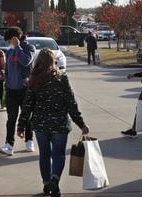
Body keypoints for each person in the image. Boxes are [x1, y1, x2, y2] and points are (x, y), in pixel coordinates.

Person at [17, 48, 89, 197]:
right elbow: (71, 103)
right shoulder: (62, 78)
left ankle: (46, 184)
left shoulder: (34, 80)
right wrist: (81, 123)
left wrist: (21, 125)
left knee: (44, 155)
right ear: (53, 61)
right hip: (60, 125)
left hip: (41, 125)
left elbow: (27, 105)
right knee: (59, 155)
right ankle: (55, 179)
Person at [0, 26, 36, 156]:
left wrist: (18, 47)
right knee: (11, 118)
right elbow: (8, 68)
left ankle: (29, 140)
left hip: (25, 89)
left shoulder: (28, 48)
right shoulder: (9, 51)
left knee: (27, 117)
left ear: (15, 38)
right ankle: (9, 144)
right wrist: (5, 76)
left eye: (9, 41)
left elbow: (26, 62)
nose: (9, 44)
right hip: (11, 91)